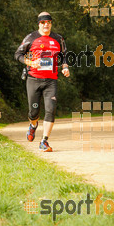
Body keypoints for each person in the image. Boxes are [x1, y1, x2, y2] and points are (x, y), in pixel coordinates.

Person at [15, 12, 70, 152]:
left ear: (51, 23)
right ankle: (33, 125)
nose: (46, 24)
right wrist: (30, 62)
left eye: (49, 22)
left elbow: (64, 56)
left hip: (51, 81)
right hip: (33, 79)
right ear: (39, 23)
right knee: (33, 112)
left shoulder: (58, 38)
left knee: (51, 110)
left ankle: (44, 141)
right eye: (43, 22)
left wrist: (65, 67)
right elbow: (18, 55)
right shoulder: (31, 38)